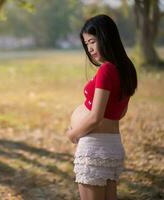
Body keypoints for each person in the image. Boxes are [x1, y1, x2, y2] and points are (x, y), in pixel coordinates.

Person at [66, 14, 138, 200]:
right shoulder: (125, 68)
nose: (89, 48)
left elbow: (95, 117)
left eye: (92, 41)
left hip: (94, 148)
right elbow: (120, 112)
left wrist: (73, 134)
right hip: (112, 146)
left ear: (106, 38)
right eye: (86, 43)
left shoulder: (106, 69)